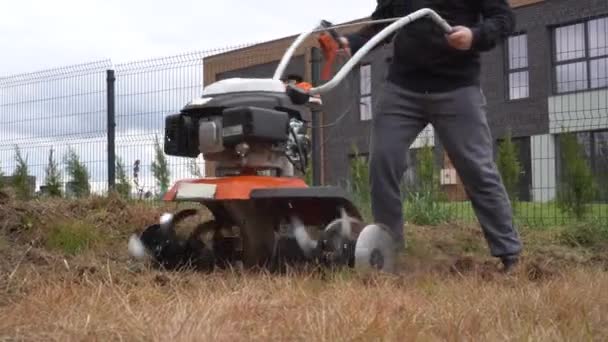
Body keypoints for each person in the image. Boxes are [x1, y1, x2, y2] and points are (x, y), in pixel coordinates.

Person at [339, 0, 523, 272]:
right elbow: (387, 21)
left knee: (477, 169)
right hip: (402, 89)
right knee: (382, 161)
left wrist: (475, 36)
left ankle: (510, 254)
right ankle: (390, 253)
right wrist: (351, 41)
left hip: (457, 88)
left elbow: (503, 18)